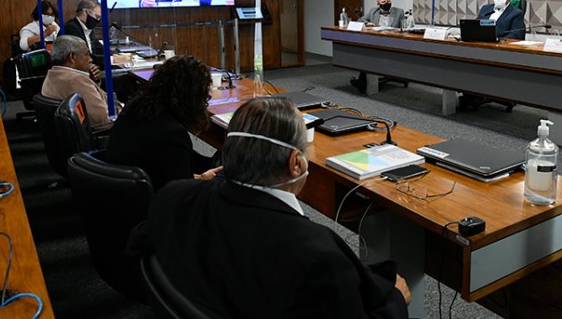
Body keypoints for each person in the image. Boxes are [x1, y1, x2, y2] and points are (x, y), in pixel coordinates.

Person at [128, 96, 411, 318]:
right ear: (296, 163)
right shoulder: (316, 256)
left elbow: (137, 251)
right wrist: (396, 300)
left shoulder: (173, 195)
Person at [106, 55, 222, 190]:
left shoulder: (135, 106)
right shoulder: (171, 132)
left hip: (122, 189)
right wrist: (202, 180)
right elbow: (180, 189)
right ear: (192, 95)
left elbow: (167, 171)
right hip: (148, 201)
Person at [458, 0, 526, 110]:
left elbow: (516, 35)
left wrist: (498, 42)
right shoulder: (486, 9)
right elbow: (476, 26)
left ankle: (477, 94)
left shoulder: (516, 13)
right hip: (479, 47)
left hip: (499, 50)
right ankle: (469, 92)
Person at [41, 36, 118, 130]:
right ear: (72, 57)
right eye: (87, 54)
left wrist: (92, 80)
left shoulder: (53, 74)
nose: (90, 59)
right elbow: (101, 119)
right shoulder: (76, 80)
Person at [350, 0, 405, 93]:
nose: (387, 3)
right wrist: (367, 23)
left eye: (388, 1)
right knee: (367, 53)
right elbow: (359, 20)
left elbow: (404, 28)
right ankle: (365, 81)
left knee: (369, 54)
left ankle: (362, 82)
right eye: (384, 2)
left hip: (392, 43)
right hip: (376, 42)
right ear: (378, 4)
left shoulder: (399, 12)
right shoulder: (373, 11)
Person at [64, 0, 104, 68]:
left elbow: (99, 48)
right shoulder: (71, 28)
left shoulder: (87, 28)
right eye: (97, 17)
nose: (98, 21)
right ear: (85, 12)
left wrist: (117, 55)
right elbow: (83, 56)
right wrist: (112, 59)